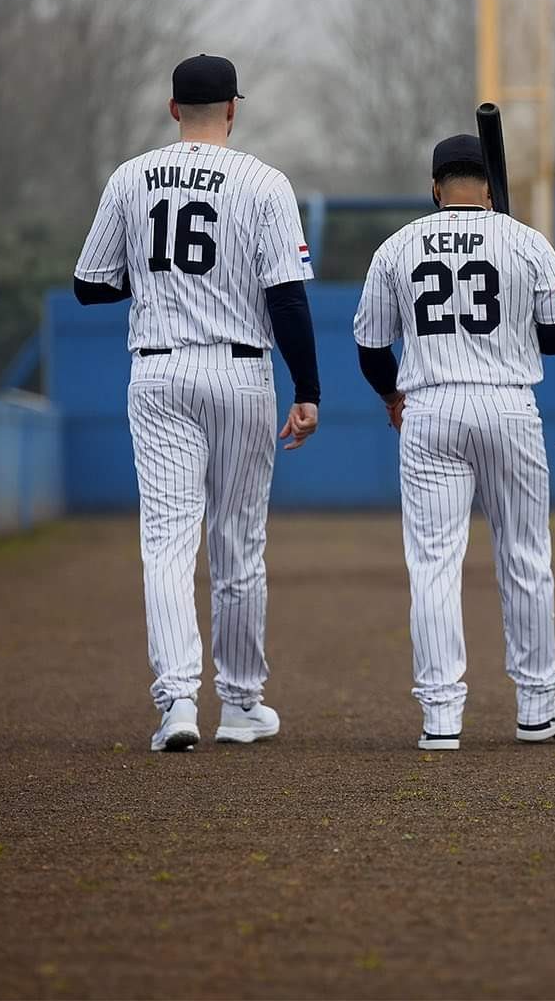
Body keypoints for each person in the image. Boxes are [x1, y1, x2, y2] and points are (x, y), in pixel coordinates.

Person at [73, 54, 321, 752]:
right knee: (238, 542)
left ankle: (177, 702)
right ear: (233, 109)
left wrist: (158, 280)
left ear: (173, 108)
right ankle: (240, 705)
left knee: (167, 541)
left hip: (158, 372)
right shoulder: (265, 182)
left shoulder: (130, 177)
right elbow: (287, 298)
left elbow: (89, 284)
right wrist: (308, 390)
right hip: (240, 371)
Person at [353, 134, 555, 750]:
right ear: (491, 185)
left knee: (433, 564)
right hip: (508, 403)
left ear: (436, 187)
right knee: (525, 557)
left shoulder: (397, 246)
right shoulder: (525, 240)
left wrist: (392, 397)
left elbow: (371, 347)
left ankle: (440, 717)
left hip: (430, 407)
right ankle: (537, 706)